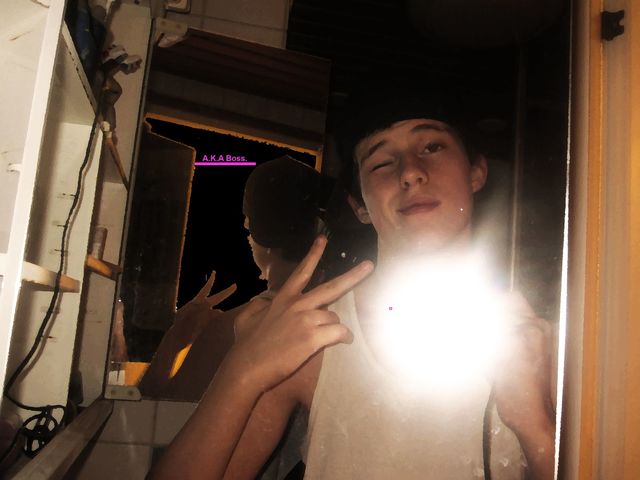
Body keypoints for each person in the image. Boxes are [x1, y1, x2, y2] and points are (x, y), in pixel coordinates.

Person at [148, 87, 555, 480]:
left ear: (476, 171)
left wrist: (534, 427)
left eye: (432, 146)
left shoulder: (533, 339)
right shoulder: (317, 335)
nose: (411, 172)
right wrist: (244, 368)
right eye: (381, 163)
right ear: (359, 205)